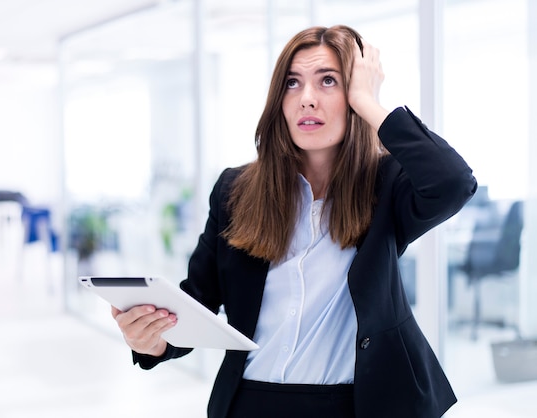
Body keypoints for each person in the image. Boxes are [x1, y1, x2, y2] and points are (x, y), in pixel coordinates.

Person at [112, 24, 477, 418]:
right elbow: (198, 300)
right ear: (278, 100)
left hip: (357, 405)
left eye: (328, 81)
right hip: (252, 403)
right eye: (292, 83)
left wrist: (369, 103)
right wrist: (153, 341)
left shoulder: (386, 186)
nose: (307, 99)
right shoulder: (235, 190)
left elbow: (453, 181)